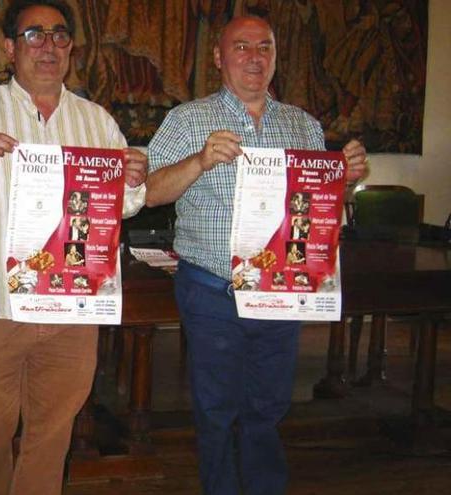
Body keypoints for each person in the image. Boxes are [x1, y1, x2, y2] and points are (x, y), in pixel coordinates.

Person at [0, 2, 146, 493]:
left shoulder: (97, 121)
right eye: (33, 35)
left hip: (71, 310)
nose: (49, 46)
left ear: (71, 47)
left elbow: (124, 208)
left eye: (60, 35)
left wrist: (131, 181)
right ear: (9, 47)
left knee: (51, 434)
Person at [144, 15, 367, 495]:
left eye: (263, 46)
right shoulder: (188, 120)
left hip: (282, 292)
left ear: (275, 55)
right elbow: (148, 193)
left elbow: (321, 210)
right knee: (217, 408)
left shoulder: (303, 125)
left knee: (268, 406)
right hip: (212, 291)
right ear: (219, 58)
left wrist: (344, 183)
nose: (254, 57)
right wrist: (200, 160)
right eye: (240, 47)